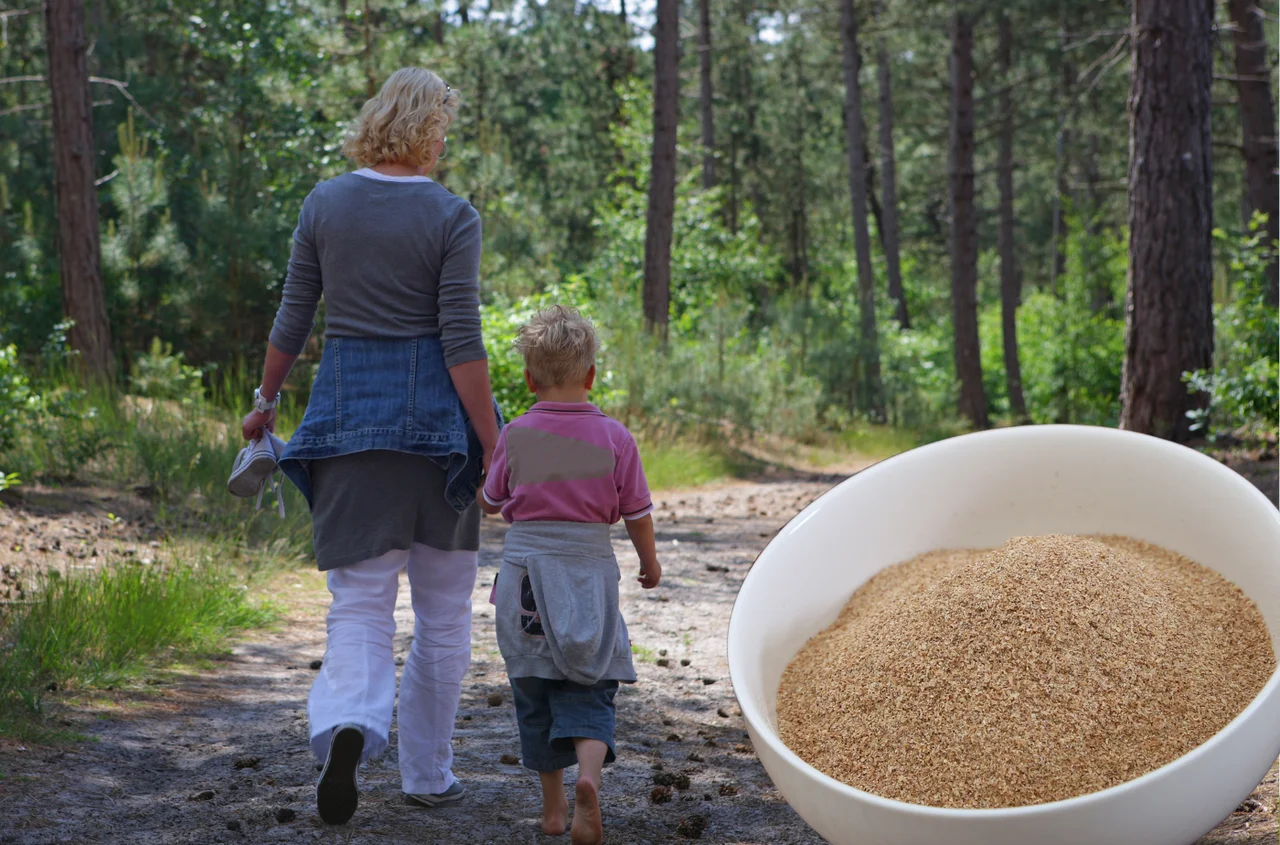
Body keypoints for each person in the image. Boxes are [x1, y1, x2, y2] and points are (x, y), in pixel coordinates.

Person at [238, 67, 501, 826]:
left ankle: (349, 724)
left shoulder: (326, 202)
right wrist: (496, 440)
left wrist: (264, 404)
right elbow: (462, 341)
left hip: (348, 426)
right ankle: (428, 774)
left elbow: (293, 316)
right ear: (424, 129)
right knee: (445, 616)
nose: (445, 139)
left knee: (358, 604)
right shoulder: (453, 215)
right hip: (438, 443)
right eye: (443, 126)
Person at [480, 306, 662, 845]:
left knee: (534, 689)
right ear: (590, 375)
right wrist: (649, 563)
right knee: (590, 679)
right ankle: (590, 776)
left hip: (527, 579)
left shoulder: (517, 435)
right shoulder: (614, 438)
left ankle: (554, 809)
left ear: (530, 378)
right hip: (588, 575)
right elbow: (637, 514)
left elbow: (492, 503)